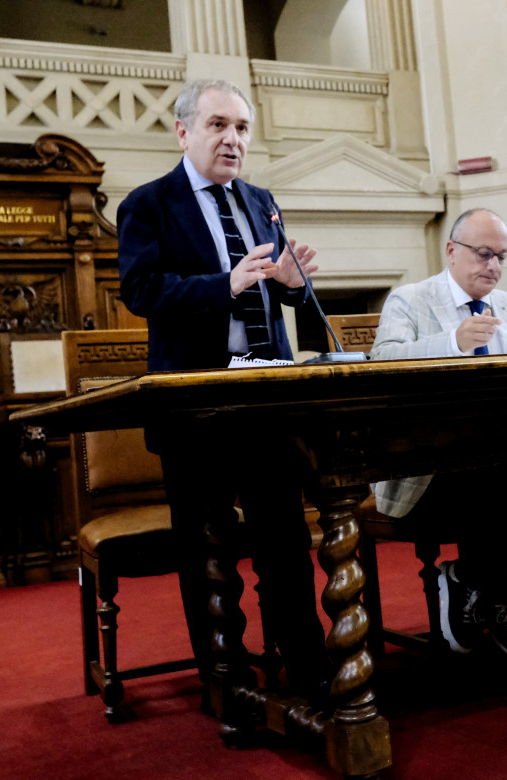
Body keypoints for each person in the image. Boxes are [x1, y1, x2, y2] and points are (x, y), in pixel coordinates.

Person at [116, 78, 328, 695]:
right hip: (198, 403)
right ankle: (225, 675)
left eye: (241, 127)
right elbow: (142, 291)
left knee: (284, 540)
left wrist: (289, 283)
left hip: (267, 393)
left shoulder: (261, 198)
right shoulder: (150, 204)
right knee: (209, 551)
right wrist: (222, 285)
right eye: (218, 125)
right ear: (183, 132)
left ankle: (306, 665)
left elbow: (278, 287)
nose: (232, 139)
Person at [370, 207, 507, 660]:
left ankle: (484, 586)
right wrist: (452, 343)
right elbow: (383, 363)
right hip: (425, 467)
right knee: (500, 473)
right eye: (483, 254)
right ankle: (491, 592)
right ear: (452, 251)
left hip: (501, 458)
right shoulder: (410, 300)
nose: (494, 266)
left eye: (502, 257)